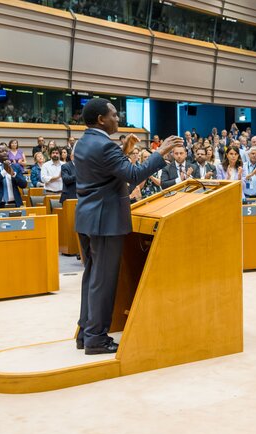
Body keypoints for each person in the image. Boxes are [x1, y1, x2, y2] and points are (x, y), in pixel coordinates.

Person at [73, 98, 181, 355]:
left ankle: (85, 333)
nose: (117, 118)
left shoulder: (84, 142)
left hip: (87, 217)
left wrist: (123, 150)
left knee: (91, 277)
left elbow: (105, 172)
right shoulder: (105, 146)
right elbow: (132, 175)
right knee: (104, 280)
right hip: (106, 219)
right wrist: (161, 152)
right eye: (113, 114)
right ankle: (97, 339)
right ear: (101, 119)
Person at [0, 144, 27, 209]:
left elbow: (23, 184)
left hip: (14, 203)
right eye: (1, 151)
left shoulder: (15, 167)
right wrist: (3, 172)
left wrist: (13, 174)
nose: (5, 153)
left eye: (6, 151)